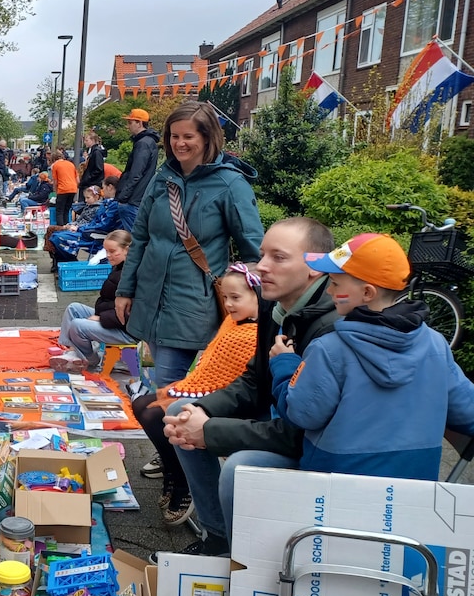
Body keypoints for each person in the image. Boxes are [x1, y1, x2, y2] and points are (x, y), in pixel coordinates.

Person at [161, 217, 337, 558]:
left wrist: (210, 432)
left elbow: (302, 432)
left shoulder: (330, 329)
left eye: (279, 257)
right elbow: (255, 379)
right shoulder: (276, 306)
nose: (263, 267)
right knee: (179, 413)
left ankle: (239, 557)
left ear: (315, 267)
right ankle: (218, 537)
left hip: (312, 444)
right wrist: (204, 410)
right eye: (263, 255)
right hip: (277, 418)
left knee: (239, 466)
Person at [269, 233, 474, 481]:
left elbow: (302, 414)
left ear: (367, 292)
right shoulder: (435, 344)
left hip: (335, 487)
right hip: (413, 491)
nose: (330, 290)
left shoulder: (329, 349)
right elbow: (467, 412)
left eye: (335, 283)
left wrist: (284, 364)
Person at [115, 101, 263, 399]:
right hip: (150, 295)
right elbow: (140, 237)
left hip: (193, 301)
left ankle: (175, 441)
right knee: (164, 382)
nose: (179, 143)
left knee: (168, 387)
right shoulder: (163, 178)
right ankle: (174, 438)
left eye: (188, 136)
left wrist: (246, 299)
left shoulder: (229, 183)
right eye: (174, 136)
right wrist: (125, 289)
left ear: (207, 138)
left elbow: (253, 252)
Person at [135, 262, 261, 525]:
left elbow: (235, 382)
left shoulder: (253, 334)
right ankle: (173, 471)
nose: (228, 304)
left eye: (236, 298)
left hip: (231, 403)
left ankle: (183, 484)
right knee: (143, 407)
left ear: (259, 296)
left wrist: (193, 395)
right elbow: (210, 367)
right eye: (225, 297)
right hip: (212, 393)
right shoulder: (233, 323)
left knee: (160, 414)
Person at [58, 229, 136, 367]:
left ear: (127, 250)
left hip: (128, 330)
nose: (108, 255)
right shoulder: (120, 267)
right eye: (106, 251)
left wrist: (102, 318)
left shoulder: (133, 273)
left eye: (112, 251)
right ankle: (72, 351)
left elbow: (134, 312)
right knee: (73, 308)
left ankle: (91, 359)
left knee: (78, 325)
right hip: (114, 318)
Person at [114, 108, 161, 231]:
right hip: (138, 198)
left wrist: (123, 197)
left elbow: (135, 173)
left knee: (133, 239)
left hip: (133, 200)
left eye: (130, 122)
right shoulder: (149, 142)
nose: (128, 126)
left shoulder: (143, 143)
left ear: (139, 123)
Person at [50, 151, 79, 225]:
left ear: (53, 159)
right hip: (73, 189)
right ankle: (67, 227)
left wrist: (56, 192)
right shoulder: (71, 164)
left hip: (62, 189)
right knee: (67, 210)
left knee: (59, 211)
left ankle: (60, 229)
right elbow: (77, 179)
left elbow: (55, 181)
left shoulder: (55, 165)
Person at [79, 131, 106, 197]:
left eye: (86, 140)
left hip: (92, 183)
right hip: (91, 182)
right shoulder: (94, 152)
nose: (85, 142)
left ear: (93, 140)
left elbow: (98, 169)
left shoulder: (96, 152)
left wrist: (87, 178)